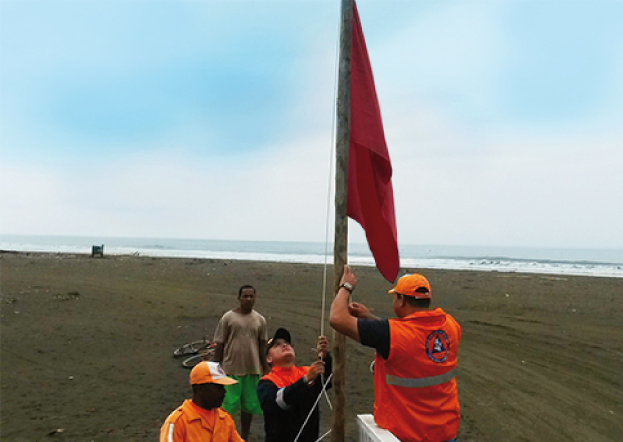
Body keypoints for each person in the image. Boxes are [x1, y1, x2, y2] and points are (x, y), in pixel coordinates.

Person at [329, 265, 461, 442]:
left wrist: (346, 287)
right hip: (445, 433)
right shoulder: (450, 325)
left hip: (408, 435)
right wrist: (370, 319)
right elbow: (414, 338)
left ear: (401, 301)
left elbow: (337, 318)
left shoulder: (390, 333)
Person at [212, 285, 269, 441]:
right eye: (245, 296)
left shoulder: (260, 320)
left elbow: (263, 345)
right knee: (226, 406)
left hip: (252, 369)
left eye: (251, 296)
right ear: (239, 298)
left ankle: (244, 436)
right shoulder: (228, 318)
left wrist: (265, 368)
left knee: (248, 406)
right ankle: (224, 435)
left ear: (255, 298)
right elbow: (220, 344)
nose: (248, 299)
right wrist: (215, 368)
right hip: (231, 369)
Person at [257, 328, 332, 442]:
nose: (284, 345)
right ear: (268, 358)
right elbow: (277, 403)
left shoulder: (307, 372)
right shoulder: (267, 382)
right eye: (277, 345)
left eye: (287, 344)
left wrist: (325, 356)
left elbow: (327, 381)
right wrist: (304, 381)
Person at [160, 361, 244, 442]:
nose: (224, 392)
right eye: (218, 387)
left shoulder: (224, 419)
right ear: (200, 389)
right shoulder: (177, 422)